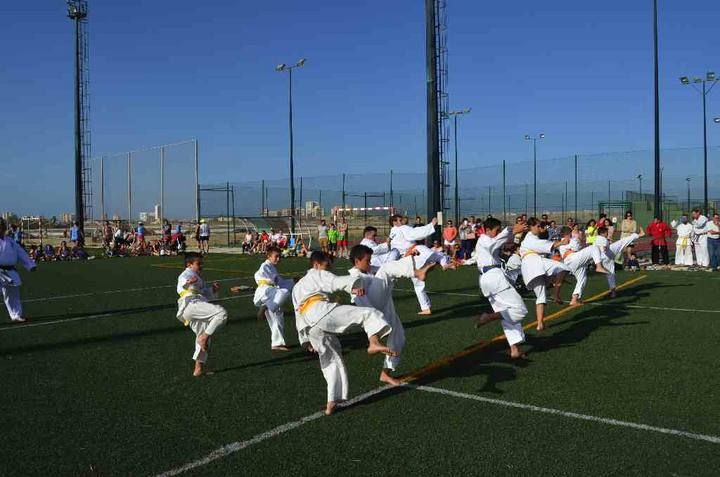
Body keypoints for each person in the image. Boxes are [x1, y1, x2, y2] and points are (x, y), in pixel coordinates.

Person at [292, 251, 395, 416]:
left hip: (311, 326)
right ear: (316, 264)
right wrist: (355, 285)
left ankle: (332, 401)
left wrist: (304, 340)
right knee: (368, 313)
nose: (329, 268)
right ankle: (373, 342)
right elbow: (335, 282)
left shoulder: (297, 288)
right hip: (320, 312)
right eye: (327, 265)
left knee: (332, 360)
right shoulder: (317, 273)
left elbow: (298, 313)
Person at [349, 245, 436, 385]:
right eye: (367, 260)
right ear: (356, 261)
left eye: (370, 260)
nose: (370, 263)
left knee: (398, 337)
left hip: (384, 304)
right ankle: (418, 273)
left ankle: (386, 373)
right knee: (385, 270)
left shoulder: (370, 270)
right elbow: (355, 290)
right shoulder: (353, 275)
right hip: (371, 306)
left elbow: (395, 269)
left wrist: (407, 256)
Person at [473, 218, 530, 359]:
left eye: (500, 230)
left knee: (507, 314)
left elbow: (501, 241)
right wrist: (511, 230)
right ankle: (488, 317)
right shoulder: (484, 239)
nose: (498, 233)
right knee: (520, 310)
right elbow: (495, 243)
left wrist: (516, 233)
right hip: (494, 279)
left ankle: (514, 350)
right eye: (496, 230)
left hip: (490, 279)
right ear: (487, 230)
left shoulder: (488, 241)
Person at [176, 252, 228, 377]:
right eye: (198, 264)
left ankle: (198, 368)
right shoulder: (187, 273)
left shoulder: (199, 278)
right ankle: (203, 337)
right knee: (221, 313)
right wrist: (189, 282)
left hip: (196, 306)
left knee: (204, 335)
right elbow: (183, 282)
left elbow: (205, 293)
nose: (201, 266)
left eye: (201, 263)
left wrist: (213, 290)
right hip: (191, 304)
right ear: (189, 265)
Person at [389, 214, 452, 315]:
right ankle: (443, 263)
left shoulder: (392, 234)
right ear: (394, 222)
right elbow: (415, 233)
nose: (402, 222)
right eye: (400, 220)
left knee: (418, 285)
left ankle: (426, 308)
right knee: (438, 255)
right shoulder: (403, 228)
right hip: (417, 252)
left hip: (408, 260)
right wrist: (431, 225)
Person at [519, 218, 569, 331]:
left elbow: (542, 246)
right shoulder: (530, 238)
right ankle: (555, 294)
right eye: (537, 226)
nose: (539, 228)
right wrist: (561, 242)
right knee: (564, 267)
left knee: (541, 296)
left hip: (530, 268)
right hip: (534, 263)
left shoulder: (530, 239)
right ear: (531, 227)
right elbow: (545, 246)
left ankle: (540, 324)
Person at [244, 246, 295, 351]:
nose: (278, 259)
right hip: (265, 292)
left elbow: (281, 282)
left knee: (278, 316)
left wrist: (293, 281)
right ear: (268, 256)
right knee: (285, 292)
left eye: (279, 257)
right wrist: (271, 281)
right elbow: (258, 276)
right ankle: (265, 307)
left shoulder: (272, 268)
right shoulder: (265, 266)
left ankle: (277, 343)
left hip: (272, 295)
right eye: (276, 256)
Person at [557, 226, 609, 306]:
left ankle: (574, 299)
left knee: (582, 279)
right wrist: (580, 240)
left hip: (571, 263)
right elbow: (578, 246)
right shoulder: (570, 240)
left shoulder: (562, 243)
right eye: (571, 233)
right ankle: (599, 266)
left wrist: (579, 243)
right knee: (593, 247)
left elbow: (578, 247)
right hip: (573, 259)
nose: (573, 234)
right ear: (567, 234)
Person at [0, 218, 36, 323]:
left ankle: (16, 315)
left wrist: (30, 264)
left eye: (2, 227)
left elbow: (21, 253)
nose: (1, 229)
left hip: (10, 271)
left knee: (12, 294)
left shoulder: (10, 241)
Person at [594, 226, 644, 297]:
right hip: (608, 253)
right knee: (622, 242)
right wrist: (604, 248)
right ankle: (638, 235)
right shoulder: (602, 239)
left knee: (610, 274)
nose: (607, 234)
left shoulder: (596, 239)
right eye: (606, 233)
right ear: (602, 233)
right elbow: (603, 248)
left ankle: (613, 292)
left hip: (602, 258)